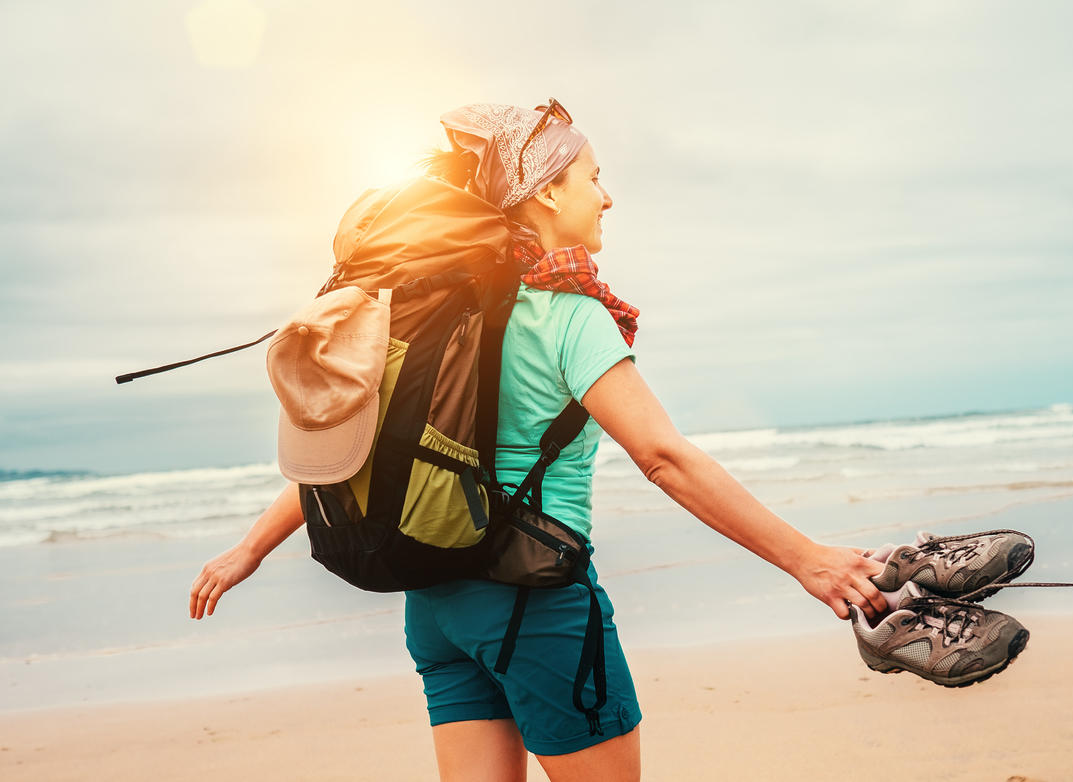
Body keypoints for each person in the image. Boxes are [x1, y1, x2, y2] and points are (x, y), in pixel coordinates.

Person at [188, 100, 889, 782]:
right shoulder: (570, 315)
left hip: (437, 608)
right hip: (535, 598)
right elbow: (662, 457)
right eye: (592, 178)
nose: (606, 198)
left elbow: (367, 449)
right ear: (547, 193)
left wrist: (248, 549)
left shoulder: (433, 316)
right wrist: (807, 560)